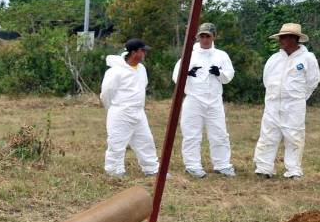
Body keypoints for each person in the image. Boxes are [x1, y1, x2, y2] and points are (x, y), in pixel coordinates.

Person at [254, 23, 320, 178]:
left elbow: (312, 81)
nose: (281, 40)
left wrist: (298, 98)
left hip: (294, 105)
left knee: (294, 137)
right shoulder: (274, 59)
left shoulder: (307, 58)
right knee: (268, 134)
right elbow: (266, 80)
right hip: (272, 103)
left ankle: (293, 170)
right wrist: (274, 96)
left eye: (285, 37)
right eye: (281, 37)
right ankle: (264, 168)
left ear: (295, 38)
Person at [173, 22, 235, 178]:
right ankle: (192, 165)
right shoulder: (189, 55)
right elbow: (176, 77)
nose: (205, 39)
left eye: (208, 36)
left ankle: (222, 165)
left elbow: (229, 75)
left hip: (214, 100)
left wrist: (219, 73)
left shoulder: (221, 55)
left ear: (214, 36)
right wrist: (187, 73)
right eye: (202, 36)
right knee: (192, 134)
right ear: (198, 37)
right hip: (194, 99)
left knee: (219, 133)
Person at [100, 39, 158, 177]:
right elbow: (106, 93)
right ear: (133, 53)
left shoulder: (142, 69)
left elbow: (142, 87)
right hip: (121, 112)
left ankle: (152, 169)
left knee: (146, 141)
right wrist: (114, 110)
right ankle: (114, 171)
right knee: (117, 143)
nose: (144, 53)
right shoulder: (115, 72)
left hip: (138, 112)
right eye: (142, 51)